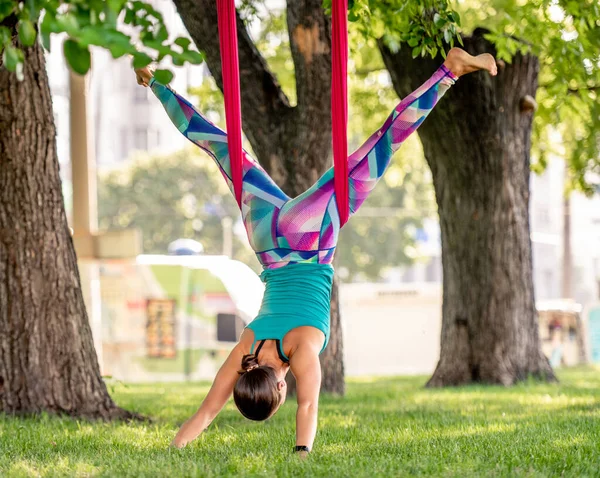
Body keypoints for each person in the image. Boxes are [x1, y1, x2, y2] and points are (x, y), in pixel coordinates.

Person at [135, 48, 497, 454]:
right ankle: (155, 83)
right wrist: (171, 450)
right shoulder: (245, 347)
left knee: (382, 145)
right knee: (223, 149)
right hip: (267, 237)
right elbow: (203, 414)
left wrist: (302, 453)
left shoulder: (302, 348)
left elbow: (308, 405)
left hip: (309, 239)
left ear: (278, 389)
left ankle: (450, 71)